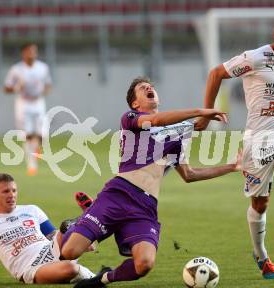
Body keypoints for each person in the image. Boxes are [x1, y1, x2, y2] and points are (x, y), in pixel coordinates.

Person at [60, 76, 242, 288]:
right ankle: (80, 222)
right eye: (142, 88)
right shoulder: (131, 118)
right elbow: (157, 121)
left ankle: (103, 278)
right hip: (119, 194)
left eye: (151, 86)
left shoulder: (176, 135)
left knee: (144, 264)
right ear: (135, 103)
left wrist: (231, 167)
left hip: (145, 207)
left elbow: (189, 175)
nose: (149, 87)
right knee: (69, 252)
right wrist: (202, 111)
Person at [195, 15, 274, 279]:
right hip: (259, 139)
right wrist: (206, 113)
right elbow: (216, 73)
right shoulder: (255, 58)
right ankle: (261, 256)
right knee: (260, 204)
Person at [4, 43, 52, 175]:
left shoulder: (43, 67)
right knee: (27, 134)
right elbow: (6, 87)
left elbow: (48, 84)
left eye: (34, 51)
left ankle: (37, 149)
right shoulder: (16, 69)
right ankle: (31, 164)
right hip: (23, 103)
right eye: (29, 51)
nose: (32, 54)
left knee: (42, 135)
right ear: (23, 53)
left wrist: (44, 91)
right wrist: (16, 87)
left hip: (38, 102)